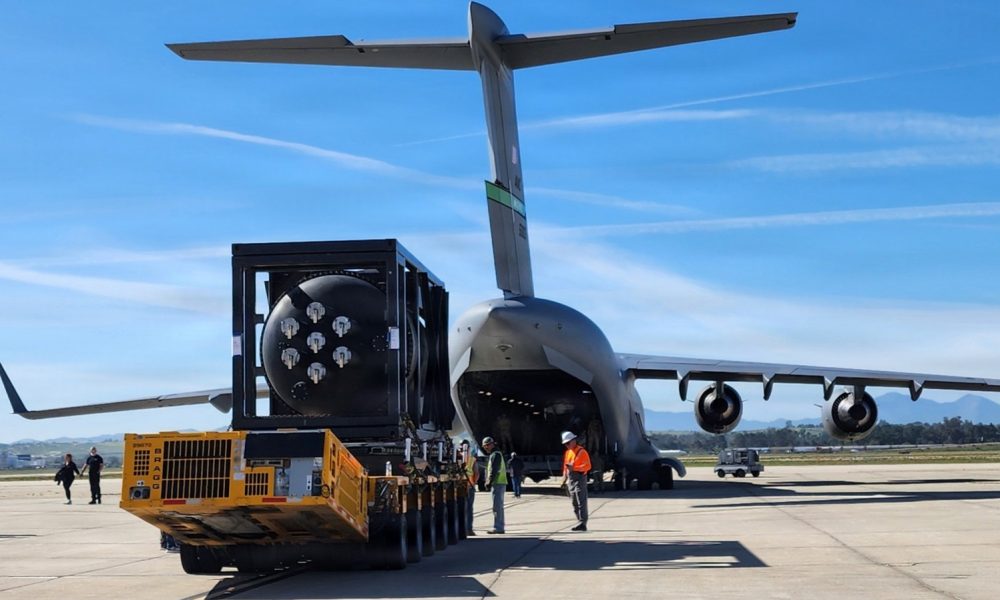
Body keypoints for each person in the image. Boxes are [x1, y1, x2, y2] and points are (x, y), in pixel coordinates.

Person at [559, 431, 591, 531]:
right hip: (571, 479)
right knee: (574, 502)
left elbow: (588, 466)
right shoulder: (568, 453)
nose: (567, 445)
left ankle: (583, 523)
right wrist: (564, 478)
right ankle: (579, 521)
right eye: (565, 444)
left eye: (568, 443)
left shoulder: (582, 452)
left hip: (580, 478)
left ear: (574, 441)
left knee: (581, 501)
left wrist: (575, 468)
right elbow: (566, 467)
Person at [481, 436, 506, 534]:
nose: (485, 448)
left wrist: (489, 482)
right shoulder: (496, 454)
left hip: (498, 482)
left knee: (497, 506)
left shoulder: (495, 455)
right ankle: (499, 526)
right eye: (484, 446)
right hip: (499, 482)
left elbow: (494, 470)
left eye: (486, 446)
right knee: (498, 506)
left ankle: (498, 527)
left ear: (491, 444)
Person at [460, 439, 478, 536]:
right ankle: (469, 529)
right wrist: (473, 483)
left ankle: (461, 529)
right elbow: (477, 473)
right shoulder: (472, 459)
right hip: (470, 486)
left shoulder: (457, 457)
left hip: (460, 487)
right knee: (469, 508)